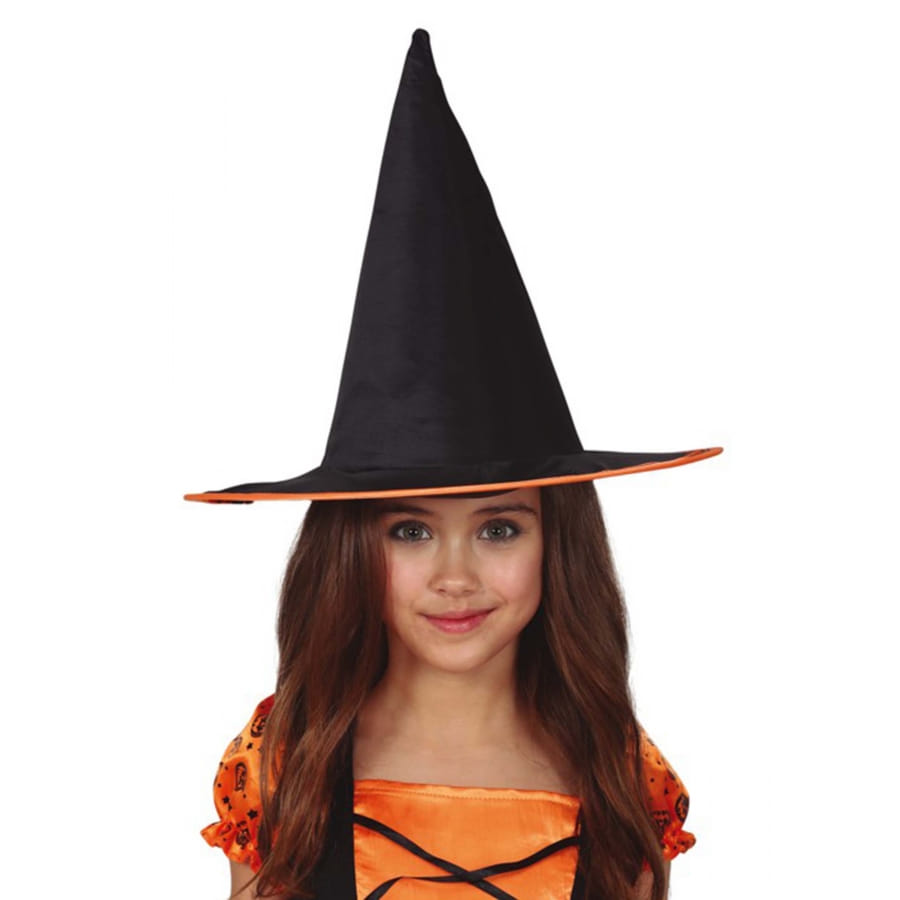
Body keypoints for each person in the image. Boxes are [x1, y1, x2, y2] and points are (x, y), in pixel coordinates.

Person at [188, 27, 720, 900]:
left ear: (557, 539)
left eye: (499, 528)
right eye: (410, 530)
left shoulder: (621, 777)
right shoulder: (286, 764)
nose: (456, 576)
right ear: (352, 544)